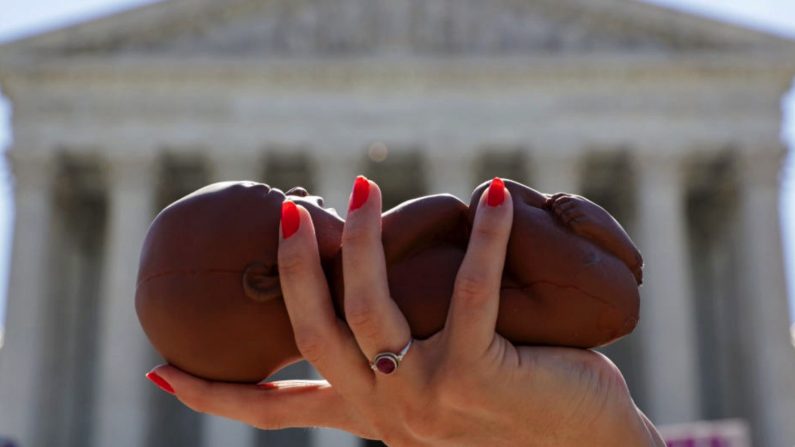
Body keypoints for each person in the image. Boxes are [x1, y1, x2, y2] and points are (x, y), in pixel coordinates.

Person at [145, 177, 665, 446]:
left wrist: (602, 436)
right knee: (496, 201)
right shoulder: (366, 267)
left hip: (572, 293)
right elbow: (442, 211)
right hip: (573, 285)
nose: (304, 192)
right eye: (283, 198)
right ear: (263, 280)